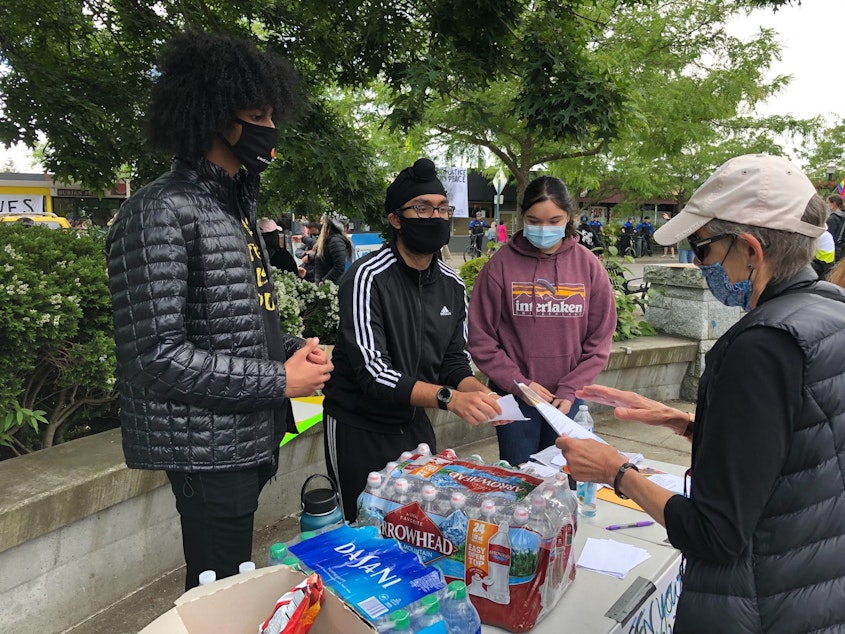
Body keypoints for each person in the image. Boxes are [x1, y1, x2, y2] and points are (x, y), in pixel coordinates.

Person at [556, 154, 845, 632]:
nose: (698, 261)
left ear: (750, 250)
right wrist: (693, 423)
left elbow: (715, 534)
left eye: (702, 248)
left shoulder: (762, 345)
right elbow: (805, 447)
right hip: (813, 582)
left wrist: (616, 471)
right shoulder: (827, 311)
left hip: (759, 602)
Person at [105, 31, 333, 591]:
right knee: (217, 592)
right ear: (209, 115)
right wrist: (280, 378)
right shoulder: (159, 211)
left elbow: (234, 324)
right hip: (205, 449)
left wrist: (289, 352)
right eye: (255, 114)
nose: (269, 128)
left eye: (272, 114)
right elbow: (153, 357)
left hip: (245, 436)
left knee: (228, 583)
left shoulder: (233, 205)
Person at [323, 158, 503, 520]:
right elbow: (373, 372)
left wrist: (478, 392)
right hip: (359, 426)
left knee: (420, 523)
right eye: (422, 208)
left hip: (415, 423)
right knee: (362, 525)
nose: (435, 217)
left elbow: (453, 361)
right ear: (395, 218)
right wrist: (450, 399)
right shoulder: (367, 278)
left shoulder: (451, 285)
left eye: (442, 208)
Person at [468, 176, 615, 467]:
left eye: (553, 221)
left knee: (567, 482)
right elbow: (481, 339)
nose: (544, 229)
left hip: (568, 402)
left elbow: (599, 340)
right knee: (520, 483)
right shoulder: (500, 267)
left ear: (570, 218)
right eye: (534, 221)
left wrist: (571, 388)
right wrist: (520, 384)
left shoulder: (589, 267)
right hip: (517, 400)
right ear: (522, 217)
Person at [313, 212, 352, 284]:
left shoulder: (335, 240)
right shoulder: (330, 240)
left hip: (331, 287)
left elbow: (339, 266)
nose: (321, 224)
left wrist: (324, 281)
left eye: (323, 222)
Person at [827, 193, 845, 263]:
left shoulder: (832, 219)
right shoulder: (842, 216)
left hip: (833, 250)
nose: (827, 205)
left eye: (828, 203)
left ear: (834, 203)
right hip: (841, 249)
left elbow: (829, 236)